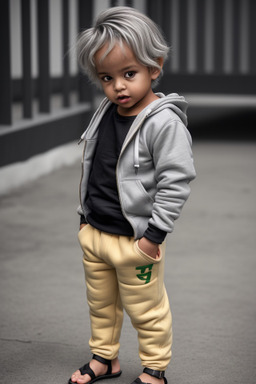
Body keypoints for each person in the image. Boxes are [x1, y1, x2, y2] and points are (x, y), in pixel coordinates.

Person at [69, 6, 196, 384]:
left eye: (129, 74)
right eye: (107, 78)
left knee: (147, 309)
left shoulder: (165, 122)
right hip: (96, 232)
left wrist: (153, 236)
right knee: (101, 305)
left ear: (154, 67)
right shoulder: (108, 110)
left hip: (136, 239)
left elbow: (177, 180)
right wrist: (84, 220)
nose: (118, 87)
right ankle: (105, 359)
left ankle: (155, 369)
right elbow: (96, 165)